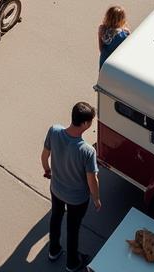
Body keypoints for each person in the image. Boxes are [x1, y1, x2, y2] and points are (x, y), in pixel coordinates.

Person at [41, 102, 101, 272]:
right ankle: (72, 263)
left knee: (56, 217)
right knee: (73, 228)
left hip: (56, 190)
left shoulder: (54, 131)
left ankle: (54, 250)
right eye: (90, 122)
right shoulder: (87, 151)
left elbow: (44, 156)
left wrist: (47, 170)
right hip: (77, 199)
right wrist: (96, 199)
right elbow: (92, 180)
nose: (90, 124)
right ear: (84, 124)